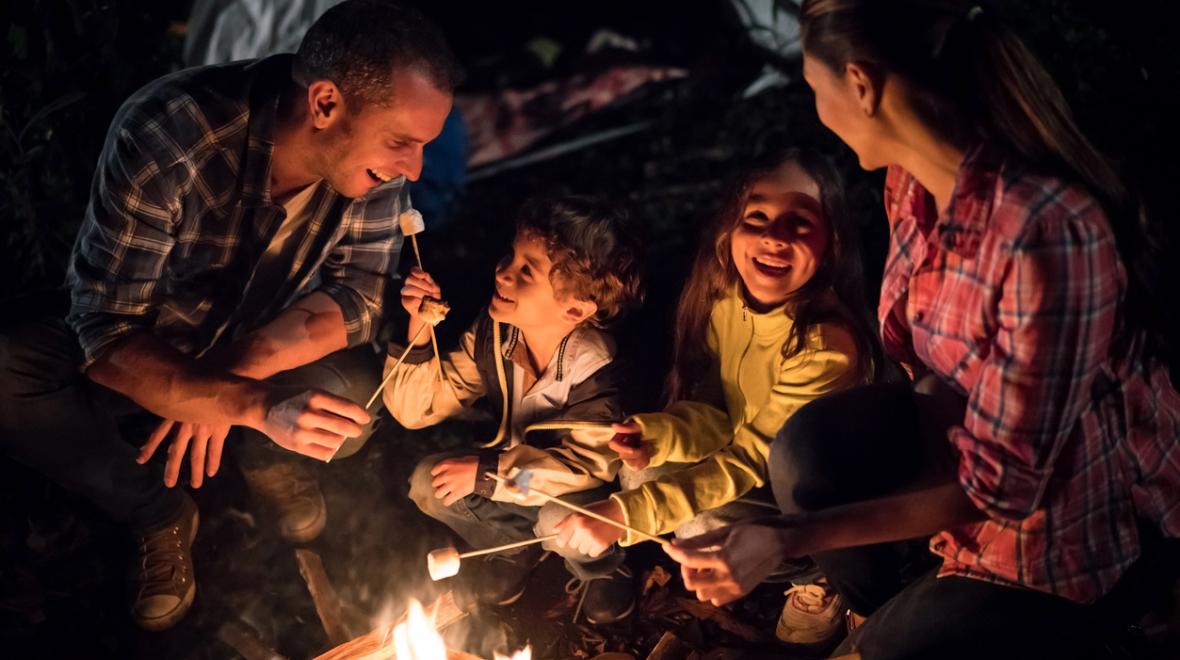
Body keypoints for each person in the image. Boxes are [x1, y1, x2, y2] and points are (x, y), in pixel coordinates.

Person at [664, 2, 1180, 658]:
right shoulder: (912, 185)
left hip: (1080, 525)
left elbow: (1006, 489)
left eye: (815, 88)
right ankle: (892, 612)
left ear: (860, 85)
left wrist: (789, 539)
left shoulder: (1045, 233)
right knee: (809, 451)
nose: (816, 108)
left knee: (877, 651)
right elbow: (930, 370)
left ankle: (1121, 615)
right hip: (965, 457)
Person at [0, 0, 460, 631]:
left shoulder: (374, 175)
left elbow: (358, 298)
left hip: (252, 342)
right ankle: (155, 511)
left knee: (349, 409)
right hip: (149, 344)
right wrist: (250, 405)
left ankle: (267, 457)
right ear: (326, 104)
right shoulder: (171, 130)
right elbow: (105, 332)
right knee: (9, 374)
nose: (414, 169)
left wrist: (227, 382)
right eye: (402, 142)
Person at [551, 147, 884, 644]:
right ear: (729, 231)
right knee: (639, 468)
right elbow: (719, 413)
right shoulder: (728, 301)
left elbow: (751, 457)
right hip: (762, 465)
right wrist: (657, 436)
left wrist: (625, 516)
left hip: (823, 497)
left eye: (800, 223)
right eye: (758, 216)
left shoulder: (825, 346)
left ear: (832, 243)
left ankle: (818, 574)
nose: (774, 236)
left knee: (696, 523)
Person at [386, 196, 644, 624]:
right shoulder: (497, 334)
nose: (502, 272)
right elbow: (417, 408)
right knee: (427, 484)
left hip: (579, 496)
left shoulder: (597, 371)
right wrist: (419, 325)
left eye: (528, 271)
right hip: (516, 481)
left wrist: (489, 472)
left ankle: (601, 568)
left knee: (559, 520)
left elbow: (586, 468)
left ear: (575, 310)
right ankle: (511, 547)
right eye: (512, 256)